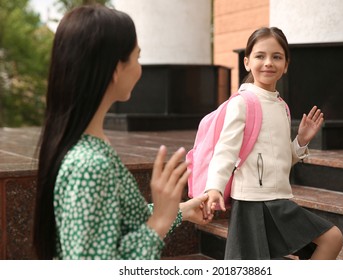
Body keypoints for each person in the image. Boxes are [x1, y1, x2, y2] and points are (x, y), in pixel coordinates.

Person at [33, 4, 212, 260]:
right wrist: (159, 221)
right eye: (137, 57)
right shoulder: (90, 166)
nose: (139, 68)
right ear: (117, 69)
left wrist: (177, 211)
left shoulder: (88, 145)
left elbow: (113, 223)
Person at [204, 27, 343, 260]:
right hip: (252, 202)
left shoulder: (281, 105)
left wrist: (301, 141)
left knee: (331, 238)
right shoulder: (242, 103)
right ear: (247, 62)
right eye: (260, 56)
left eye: (276, 57)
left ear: (286, 65)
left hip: (277, 200)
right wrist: (214, 187)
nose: (268, 62)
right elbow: (226, 149)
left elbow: (278, 159)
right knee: (332, 237)